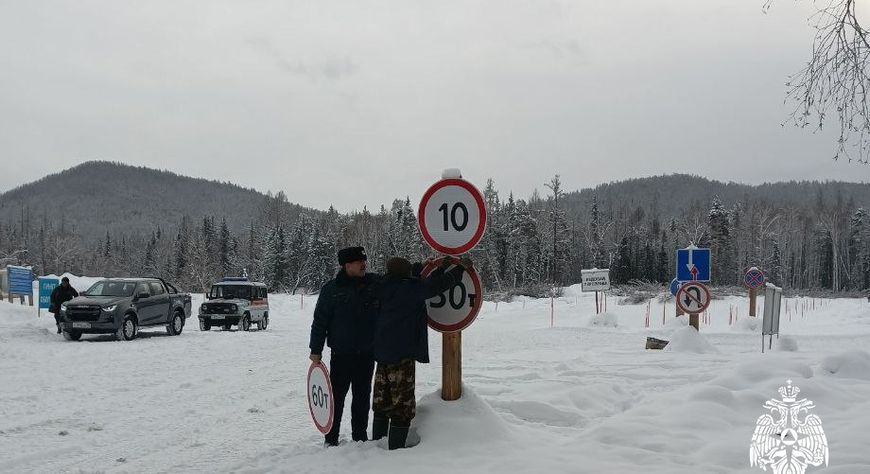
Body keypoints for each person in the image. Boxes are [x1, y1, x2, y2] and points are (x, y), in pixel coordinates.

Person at [371, 256, 471, 450]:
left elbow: (411, 281)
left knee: (382, 402)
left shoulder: (382, 285)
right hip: (402, 354)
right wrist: (460, 270)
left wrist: (422, 268)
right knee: (402, 407)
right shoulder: (410, 290)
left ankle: (376, 447)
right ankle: (394, 451)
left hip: (382, 353)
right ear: (405, 275)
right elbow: (437, 286)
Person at [309, 246, 380, 446]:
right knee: (336, 399)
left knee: (362, 398)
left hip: (366, 353)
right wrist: (315, 350)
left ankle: (360, 438)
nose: (364, 264)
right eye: (359, 262)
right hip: (341, 354)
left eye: (364, 261)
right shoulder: (331, 290)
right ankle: (331, 439)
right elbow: (320, 321)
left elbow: (396, 281)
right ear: (347, 265)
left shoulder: (373, 284)